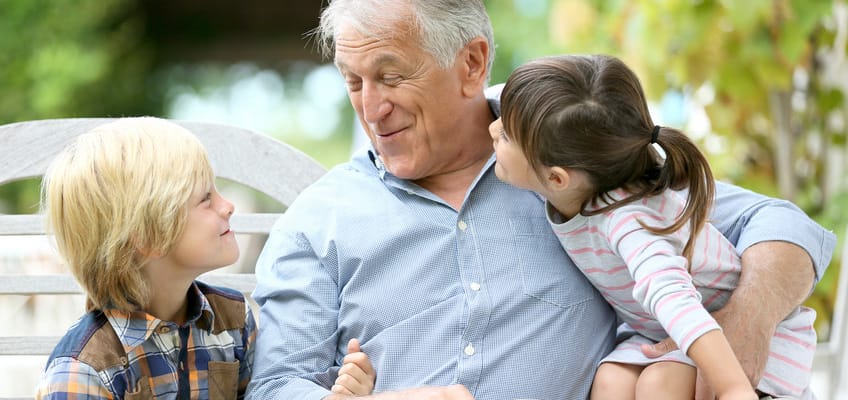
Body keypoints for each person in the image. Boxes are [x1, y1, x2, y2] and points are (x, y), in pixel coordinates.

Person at [246, 1, 836, 399]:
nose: (371, 109)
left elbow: (781, 223)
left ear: (472, 64)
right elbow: (275, 385)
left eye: (392, 77)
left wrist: (745, 319)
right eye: (353, 81)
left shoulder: (568, 161)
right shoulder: (320, 219)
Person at [491, 54, 818, 399]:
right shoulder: (577, 187)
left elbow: (676, 300)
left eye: (508, 135)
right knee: (610, 381)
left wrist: (734, 389)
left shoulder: (630, 221)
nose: (492, 129)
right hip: (660, 331)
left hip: (736, 336)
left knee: (660, 385)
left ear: (557, 178)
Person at [33, 117, 375, 399]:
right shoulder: (85, 370)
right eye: (205, 199)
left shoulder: (233, 323)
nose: (228, 206)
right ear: (148, 236)